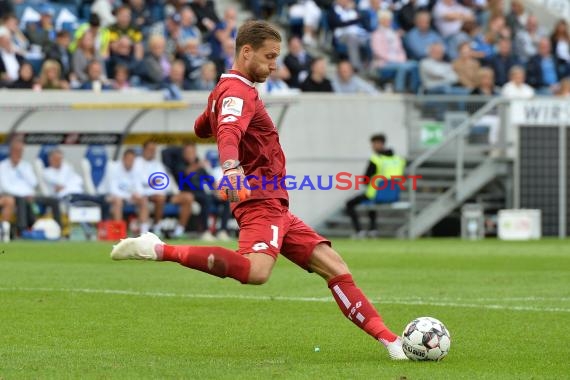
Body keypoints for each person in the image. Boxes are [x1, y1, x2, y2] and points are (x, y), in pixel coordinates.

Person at [110, 20, 407, 360]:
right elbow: (228, 134)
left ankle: (392, 342)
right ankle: (159, 249)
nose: (273, 65)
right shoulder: (239, 91)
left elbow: (203, 126)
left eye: (276, 57)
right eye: (269, 57)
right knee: (256, 272)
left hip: (276, 205)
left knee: (335, 266)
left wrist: (216, 111)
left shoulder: (226, 89)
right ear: (246, 52)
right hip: (261, 201)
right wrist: (231, 167)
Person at [345, 134, 405, 239]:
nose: (373, 146)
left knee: (350, 203)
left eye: (374, 144)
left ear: (381, 144)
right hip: (393, 195)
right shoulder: (398, 159)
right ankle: (373, 230)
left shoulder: (376, 160)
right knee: (371, 202)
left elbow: (365, 179)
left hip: (376, 193)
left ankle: (359, 231)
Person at [134, 141, 193, 238]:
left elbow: (164, 181)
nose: (152, 152)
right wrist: (153, 183)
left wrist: (154, 183)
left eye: (154, 150)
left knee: (188, 197)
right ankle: (157, 228)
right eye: (150, 149)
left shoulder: (158, 164)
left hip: (163, 192)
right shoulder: (137, 163)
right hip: (147, 194)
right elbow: (142, 182)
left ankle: (179, 232)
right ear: (144, 150)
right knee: (160, 198)